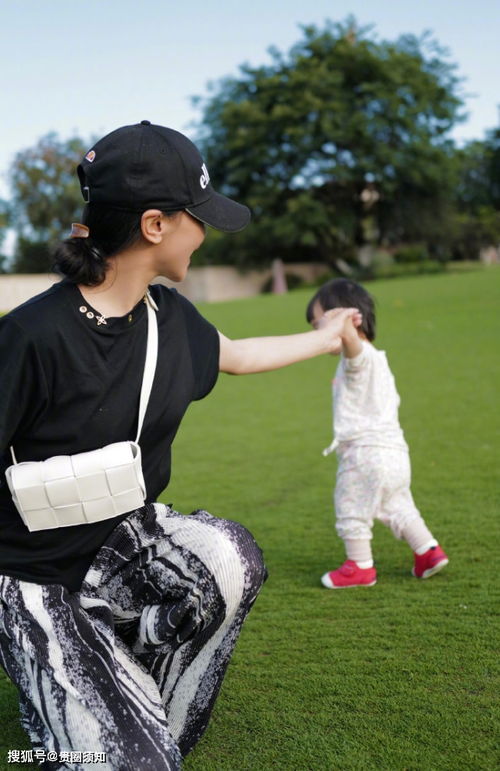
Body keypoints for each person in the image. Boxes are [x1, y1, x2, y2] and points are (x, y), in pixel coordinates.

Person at [0, 121, 360, 771]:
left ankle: (137, 707)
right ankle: (77, 716)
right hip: (32, 573)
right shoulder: (31, 336)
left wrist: (331, 336)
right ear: (155, 225)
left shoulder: (170, 318)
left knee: (229, 561)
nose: (207, 230)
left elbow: (242, 355)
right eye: (198, 215)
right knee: (113, 758)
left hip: (122, 541)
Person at [306, 278, 449, 589]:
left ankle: (359, 567)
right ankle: (428, 551)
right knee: (398, 505)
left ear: (344, 320)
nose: (316, 333)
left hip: (365, 455)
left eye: (319, 324)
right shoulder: (379, 360)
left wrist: (342, 327)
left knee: (351, 507)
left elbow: (353, 349)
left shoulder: (358, 357)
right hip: (395, 454)